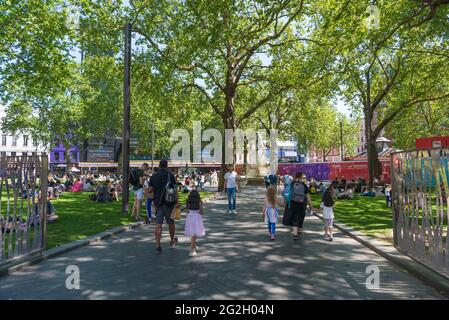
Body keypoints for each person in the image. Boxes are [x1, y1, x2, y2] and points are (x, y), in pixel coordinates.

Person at [148, 159, 179, 254]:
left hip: (158, 204)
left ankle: (158, 246)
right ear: (167, 166)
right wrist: (177, 202)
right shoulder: (171, 176)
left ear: (159, 165)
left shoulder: (154, 176)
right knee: (171, 223)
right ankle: (172, 240)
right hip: (169, 203)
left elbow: (150, 190)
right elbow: (175, 189)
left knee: (158, 225)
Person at [283, 172, 314, 240]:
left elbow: (287, 193)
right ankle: (299, 230)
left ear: (295, 176)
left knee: (294, 218)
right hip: (301, 204)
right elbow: (308, 197)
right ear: (301, 177)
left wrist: (285, 202)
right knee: (300, 217)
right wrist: (311, 206)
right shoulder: (304, 185)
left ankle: (295, 234)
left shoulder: (291, 184)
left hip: (292, 203)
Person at [184, 189, 206, 257]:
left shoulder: (188, 202)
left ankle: (194, 246)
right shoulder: (199, 202)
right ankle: (192, 250)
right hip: (197, 218)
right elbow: (201, 212)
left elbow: (187, 211)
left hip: (190, 217)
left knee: (193, 233)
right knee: (194, 234)